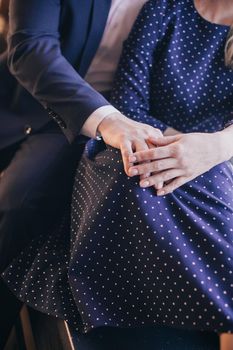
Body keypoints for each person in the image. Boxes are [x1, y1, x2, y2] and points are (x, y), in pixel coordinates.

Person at [2, 0, 233, 349]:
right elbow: (30, 47)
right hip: (57, 112)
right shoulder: (168, 10)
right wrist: (114, 122)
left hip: (172, 135)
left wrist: (213, 147)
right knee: (23, 201)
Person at [0, 0, 159, 347]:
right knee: (17, 201)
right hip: (31, 102)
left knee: (18, 203)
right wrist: (106, 118)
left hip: (119, 127)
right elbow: (30, 47)